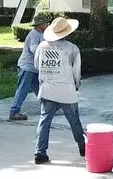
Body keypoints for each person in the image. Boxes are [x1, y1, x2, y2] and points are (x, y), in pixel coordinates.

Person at [32, 16, 86, 165]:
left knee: (44, 122)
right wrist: (76, 84)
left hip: (47, 90)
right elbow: (76, 72)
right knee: (74, 121)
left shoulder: (42, 46)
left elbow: (36, 65)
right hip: (66, 91)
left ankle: (39, 153)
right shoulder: (72, 49)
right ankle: (83, 147)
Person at [8, 12, 51, 121]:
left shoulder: (41, 34)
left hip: (34, 68)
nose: (47, 25)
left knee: (40, 90)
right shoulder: (34, 34)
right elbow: (34, 49)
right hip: (27, 67)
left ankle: (49, 108)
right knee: (22, 89)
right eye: (46, 23)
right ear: (40, 24)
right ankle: (14, 112)